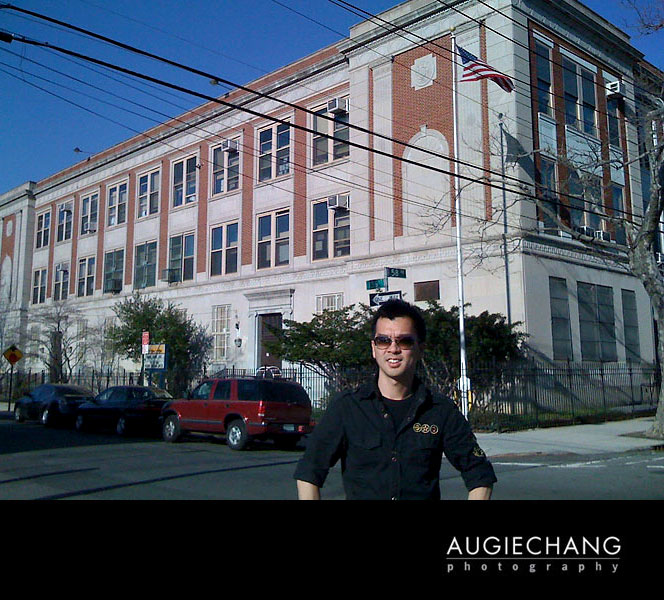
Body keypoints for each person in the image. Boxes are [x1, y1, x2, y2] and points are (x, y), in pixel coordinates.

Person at [294, 299, 497, 500]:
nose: (393, 349)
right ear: (374, 348)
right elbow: (309, 473)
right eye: (383, 341)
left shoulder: (441, 411)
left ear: (420, 349)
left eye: (404, 341)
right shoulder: (346, 408)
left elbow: (480, 475)